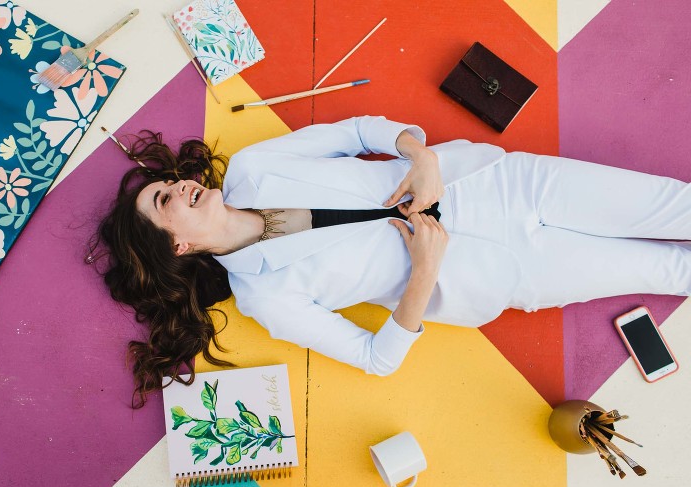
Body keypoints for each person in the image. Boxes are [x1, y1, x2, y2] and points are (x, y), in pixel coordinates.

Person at [94, 116, 691, 407]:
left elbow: (357, 131)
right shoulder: (264, 297)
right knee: (666, 271)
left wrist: (419, 154)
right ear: (177, 247)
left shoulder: (255, 166)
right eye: (165, 201)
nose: (181, 186)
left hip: (498, 183)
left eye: (170, 182)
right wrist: (424, 272)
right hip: (503, 271)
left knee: (677, 206)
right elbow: (373, 360)